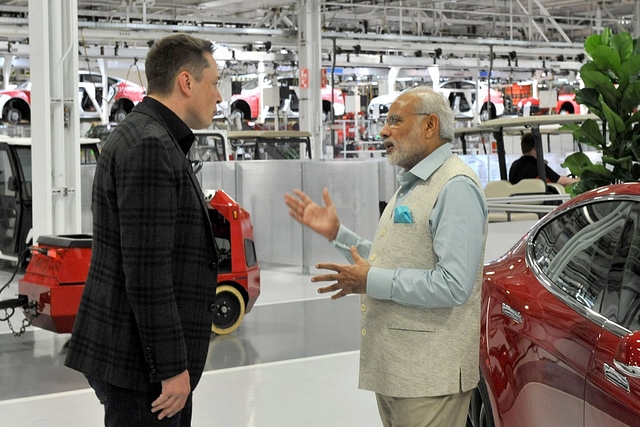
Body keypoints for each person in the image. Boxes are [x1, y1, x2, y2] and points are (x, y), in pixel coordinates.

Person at [284, 87, 488, 427]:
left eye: (395, 121)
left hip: (430, 377)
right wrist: (339, 236)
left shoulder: (455, 187)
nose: (383, 131)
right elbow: (397, 259)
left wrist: (369, 281)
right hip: (400, 370)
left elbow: (453, 285)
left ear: (430, 126)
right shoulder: (415, 183)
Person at [65, 33, 223, 427]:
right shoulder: (151, 146)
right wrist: (170, 368)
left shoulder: (143, 134)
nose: (220, 97)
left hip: (131, 352)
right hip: (141, 367)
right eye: (215, 83)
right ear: (187, 82)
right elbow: (148, 272)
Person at [508, 132, 579, 185]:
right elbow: (562, 181)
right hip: (537, 201)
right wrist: (579, 180)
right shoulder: (537, 165)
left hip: (517, 200)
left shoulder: (515, 165)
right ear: (536, 147)